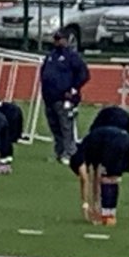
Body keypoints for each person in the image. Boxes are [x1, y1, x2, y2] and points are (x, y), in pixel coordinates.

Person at [40, 29, 90, 164]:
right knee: (54, 126)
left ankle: (70, 152)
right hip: (50, 98)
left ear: (66, 40)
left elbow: (84, 74)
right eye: (56, 39)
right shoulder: (50, 56)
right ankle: (59, 151)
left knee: (66, 125)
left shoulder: (72, 57)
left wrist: (73, 90)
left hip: (64, 97)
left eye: (60, 39)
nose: (57, 41)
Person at [68, 124, 129, 226]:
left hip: (113, 142)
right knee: (113, 179)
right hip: (127, 140)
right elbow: (96, 179)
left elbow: (85, 180)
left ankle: (106, 217)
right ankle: (109, 214)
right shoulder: (91, 147)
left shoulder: (78, 157)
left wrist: (85, 205)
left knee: (107, 180)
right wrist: (96, 203)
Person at [0, 100, 24, 174]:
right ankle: (6, 165)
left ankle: (1, 164)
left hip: (6, 116)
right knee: (8, 140)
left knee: (3, 140)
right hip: (14, 114)